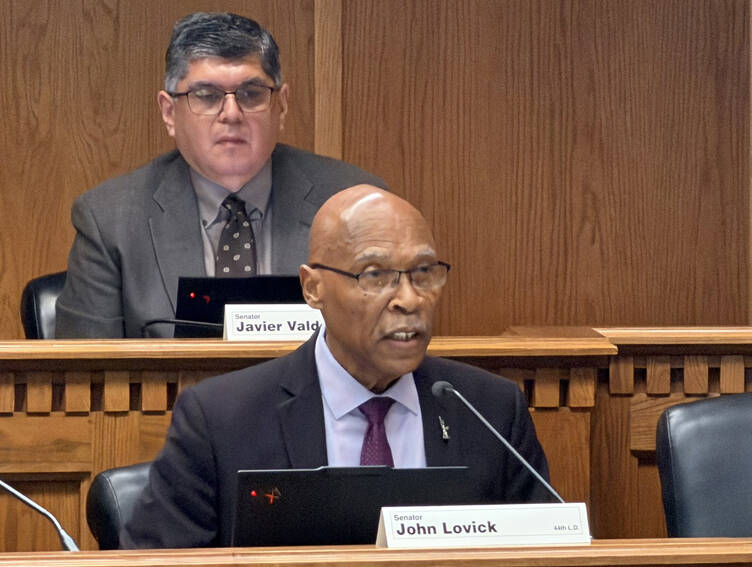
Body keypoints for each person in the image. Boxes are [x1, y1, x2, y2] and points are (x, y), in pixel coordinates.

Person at [120, 185, 553, 548]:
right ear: (313, 288)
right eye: (375, 275)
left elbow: (547, 551)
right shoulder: (221, 419)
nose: (409, 299)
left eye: (424, 272)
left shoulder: (491, 411)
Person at [55, 12, 385, 338]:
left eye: (251, 93)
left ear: (281, 106)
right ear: (169, 113)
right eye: (207, 96)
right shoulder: (111, 221)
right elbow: (86, 369)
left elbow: (385, 347)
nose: (231, 114)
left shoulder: (356, 206)